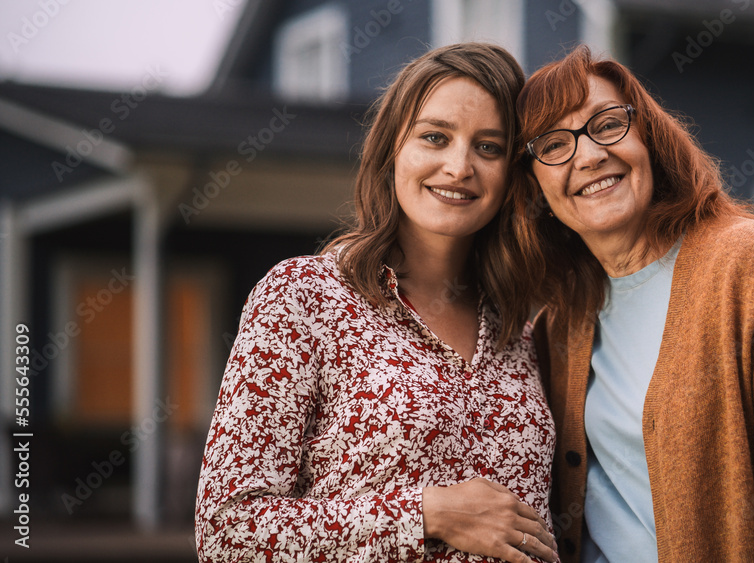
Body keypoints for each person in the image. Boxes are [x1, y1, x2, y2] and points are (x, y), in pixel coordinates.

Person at [195, 43, 558, 563]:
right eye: (435, 137)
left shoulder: (521, 328)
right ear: (392, 151)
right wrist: (428, 514)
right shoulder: (305, 298)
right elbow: (227, 530)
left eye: (489, 147)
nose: (459, 166)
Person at [513, 46, 754, 562]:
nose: (587, 156)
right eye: (554, 145)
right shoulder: (560, 318)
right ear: (534, 182)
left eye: (607, 124)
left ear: (648, 136)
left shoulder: (747, 265)